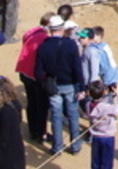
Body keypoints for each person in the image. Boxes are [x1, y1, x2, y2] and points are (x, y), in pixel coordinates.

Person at [36, 15, 85, 155]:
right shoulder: (70, 45)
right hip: (70, 85)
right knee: (73, 115)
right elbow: (77, 67)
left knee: (56, 116)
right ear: (62, 28)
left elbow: (38, 72)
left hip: (53, 86)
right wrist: (81, 87)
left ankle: (57, 147)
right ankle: (75, 145)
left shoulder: (43, 47)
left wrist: (44, 84)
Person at [16, 14, 53, 144]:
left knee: (31, 103)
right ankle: (41, 133)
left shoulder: (30, 33)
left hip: (25, 72)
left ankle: (33, 131)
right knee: (41, 105)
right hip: (36, 75)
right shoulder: (45, 39)